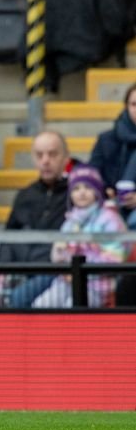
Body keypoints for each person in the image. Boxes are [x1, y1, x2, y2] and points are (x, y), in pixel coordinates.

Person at [0, 131, 70, 308]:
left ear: (66, 158)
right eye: (39, 155)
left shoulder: (74, 195)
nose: (45, 161)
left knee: (19, 298)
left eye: (52, 154)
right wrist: (4, 269)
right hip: (17, 267)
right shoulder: (24, 195)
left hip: (52, 270)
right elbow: (8, 237)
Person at [32, 165, 127, 308]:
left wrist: (80, 272)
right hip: (65, 283)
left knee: (72, 310)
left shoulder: (110, 219)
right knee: (40, 307)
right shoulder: (69, 221)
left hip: (98, 288)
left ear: (97, 191)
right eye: (76, 189)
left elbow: (114, 260)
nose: (82, 193)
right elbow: (57, 258)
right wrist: (61, 255)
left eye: (87, 187)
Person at [89, 82, 136, 228]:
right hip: (108, 209)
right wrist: (105, 191)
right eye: (134, 104)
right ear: (126, 107)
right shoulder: (106, 140)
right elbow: (91, 175)